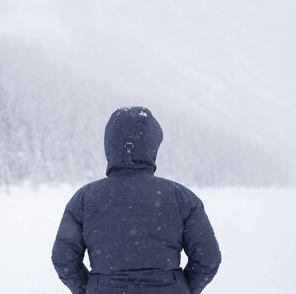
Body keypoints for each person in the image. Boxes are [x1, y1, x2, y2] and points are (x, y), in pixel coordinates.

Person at [51, 106, 221, 294]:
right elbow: (208, 259)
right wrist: (179, 288)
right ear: (153, 144)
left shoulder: (84, 199)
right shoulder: (182, 198)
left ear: (109, 144)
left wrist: (91, 288)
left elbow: (63, 259)